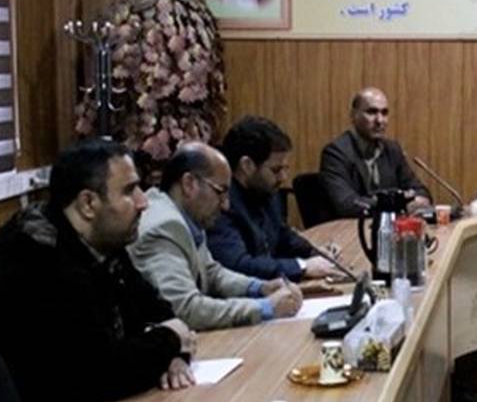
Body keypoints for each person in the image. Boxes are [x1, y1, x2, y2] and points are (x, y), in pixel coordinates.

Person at [0, 140, 195, 402]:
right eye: (129, 191)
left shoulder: (103, 245)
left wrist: (171, 354)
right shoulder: (37, 268)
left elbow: (157, 311)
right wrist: (171, 341)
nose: (143, 202)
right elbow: (105, 373)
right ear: (88, 204)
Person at [130, 143, 303, 331]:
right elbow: (185, 309)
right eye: (220, 192)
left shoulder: (186, 215)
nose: (226, 205)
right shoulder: (164, 226)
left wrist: (260, 287)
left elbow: (212, 273)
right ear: (189, 184)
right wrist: (265, 307)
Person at [207, 116, 334, 281]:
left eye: (285, 168)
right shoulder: (219, 201)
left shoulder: (265, 189)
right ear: (247, 165)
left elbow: (282, 234)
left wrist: (312, 251)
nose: (283, 178)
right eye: (276, 170)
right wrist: (301, 267)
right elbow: (237, 265)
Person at [319, 87, 431, 219]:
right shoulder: (336, 153)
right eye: (372, 112)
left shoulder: (393, 150)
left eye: (384, 113)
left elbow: (421, 191)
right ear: (353, 115)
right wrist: (398, 203)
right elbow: (347, 204)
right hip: (350, 228)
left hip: (388, 227)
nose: (379, 120)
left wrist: (417, 199)